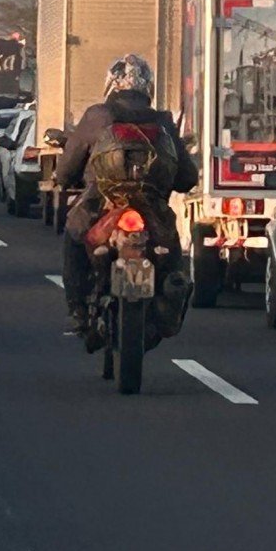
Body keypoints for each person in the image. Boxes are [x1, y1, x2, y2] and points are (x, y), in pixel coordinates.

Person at [57, 54, 198, 344]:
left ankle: (78, 312)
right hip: (152, 208)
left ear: (111, 84)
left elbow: (66, 170)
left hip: (100, 204)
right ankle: (165, 309)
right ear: (148, 88)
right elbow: (187, 178)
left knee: (73, 237)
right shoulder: (163, 122)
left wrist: (66, 179)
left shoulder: (97, 116)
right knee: (173, 261)